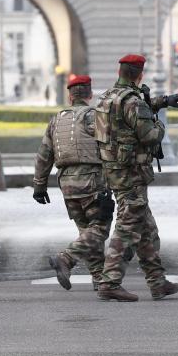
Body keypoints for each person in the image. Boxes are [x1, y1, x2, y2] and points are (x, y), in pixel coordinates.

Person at [93, 54, 178, 302]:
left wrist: (163, 101)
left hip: (115, 172)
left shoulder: (107, 98)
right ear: (139, 74)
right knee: (127, 228)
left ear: (121, 72)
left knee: (147, 231)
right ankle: (110, 282)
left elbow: (129, 113)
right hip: (132, 174)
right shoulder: (132, 101)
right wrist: (161, 125)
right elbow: (150, 135)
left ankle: (157, 282)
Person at [33, 74, 116, 292]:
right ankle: (66, 258)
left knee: (86, 233)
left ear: (70, 97)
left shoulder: (56, 120)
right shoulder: (95, 116)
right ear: (89, 95)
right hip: (92, 181)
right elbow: (110, 148)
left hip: (67, 185)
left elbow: (44, 155)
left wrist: (39, 185)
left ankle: (99, 279)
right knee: (99, 228)